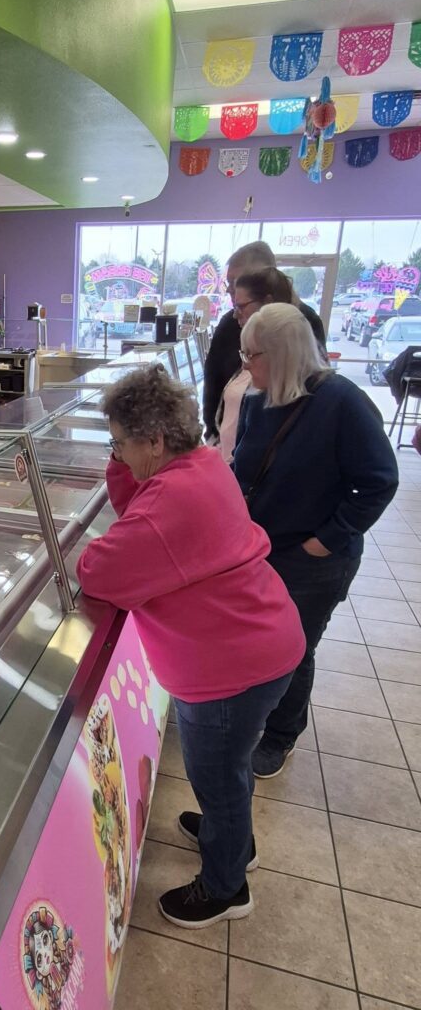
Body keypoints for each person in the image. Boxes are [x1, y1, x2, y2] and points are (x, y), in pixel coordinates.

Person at [76, 364, 305, 929]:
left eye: (121, 443)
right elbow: (137, 502)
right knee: (229, 769)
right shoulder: (198, 462)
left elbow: (98, 572)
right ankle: (234, 836)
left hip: (231, 669)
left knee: (219, 776)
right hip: (263, 640)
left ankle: (226, 888)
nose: (119, 454)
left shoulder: (170, 504)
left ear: (154, 441)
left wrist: (93, 546)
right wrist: (119, 459)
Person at [233, 304, 398, 778]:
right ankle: (257, 715)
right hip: (263, 549)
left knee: (294, 646)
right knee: (262, 640)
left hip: (315, 559)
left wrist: (327, 539)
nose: (244, 364)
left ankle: (281, 736)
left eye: (252, 354)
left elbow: (379, 481)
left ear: (284, 354)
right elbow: (246, 473)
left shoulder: (342, 402)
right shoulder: (256, 400)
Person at [203, 241, 325, 441]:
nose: (231, 292)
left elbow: (311, 386)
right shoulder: (229, 324)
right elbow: (213, 381)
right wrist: (212, 432)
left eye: (236, 282)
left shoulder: (305, 321)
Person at [213, 267, 295, 462]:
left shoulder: (332, 395)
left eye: (242, 307)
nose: (235, 315)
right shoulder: (248, 355)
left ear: (267, 304)